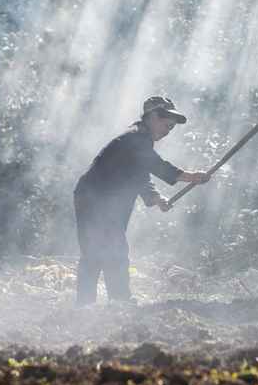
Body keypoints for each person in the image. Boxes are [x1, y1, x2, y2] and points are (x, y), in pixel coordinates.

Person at [73, 96, 211, 305]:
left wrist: (156, 198)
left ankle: (90, 305)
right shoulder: (135, 138)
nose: (169, 129)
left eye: (172, 127)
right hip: (95, 199)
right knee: (111, 250)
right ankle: (115, 302)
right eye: (167, 123)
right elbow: (155, 165)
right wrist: (190, 176)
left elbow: (140, 177)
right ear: (153, 116)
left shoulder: (139, 142)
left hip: (99, 200)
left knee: (102, 251)